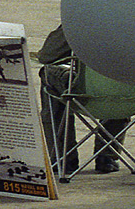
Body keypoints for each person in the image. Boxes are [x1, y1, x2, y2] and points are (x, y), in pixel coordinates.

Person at [37, 25, 127, 175]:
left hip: (87, 96)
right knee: (117, 83)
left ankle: (62, 157)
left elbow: (47, 56)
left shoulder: (86, 18)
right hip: (133, 98)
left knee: (48, 74)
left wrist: (66, 26)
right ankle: (108, 156)